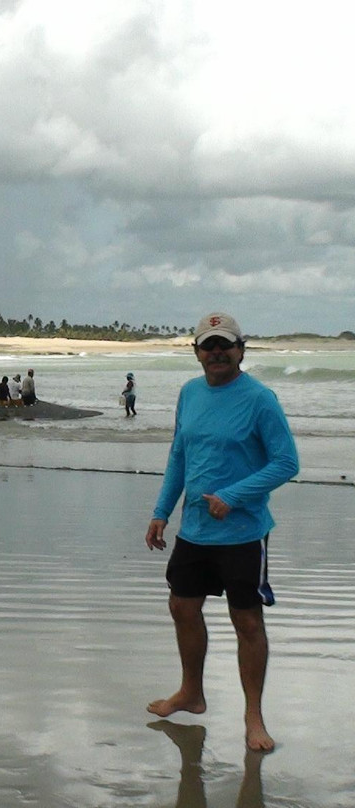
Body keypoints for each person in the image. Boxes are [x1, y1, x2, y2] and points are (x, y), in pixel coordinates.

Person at [144, 312, 299, 753]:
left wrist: (233, 495)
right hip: (193, 530)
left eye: (224, 345)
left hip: (244, 533)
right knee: (182, 607)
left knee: (247, 621)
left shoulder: (260, 399)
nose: (216, 353)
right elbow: (179, 455)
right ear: (196, 352)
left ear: (241, 349)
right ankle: (191, 693)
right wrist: (161, 511)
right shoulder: (189, 393)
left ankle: (254, 717)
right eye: (208, 345)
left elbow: (286, 462)